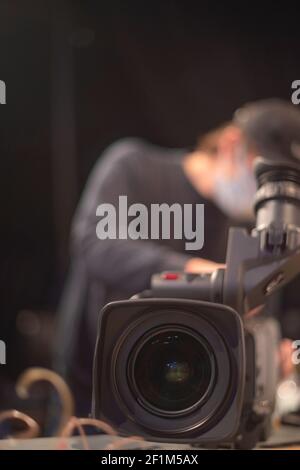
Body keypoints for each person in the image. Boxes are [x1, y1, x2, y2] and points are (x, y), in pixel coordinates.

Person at [56, 99, 300, 415]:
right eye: (267, 177)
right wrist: (200, 273)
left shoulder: (245, 228)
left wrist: (264, 356)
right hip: (90, 392)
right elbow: (94, 244)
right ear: (231, 144)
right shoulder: (134, 167)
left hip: (183, 403)